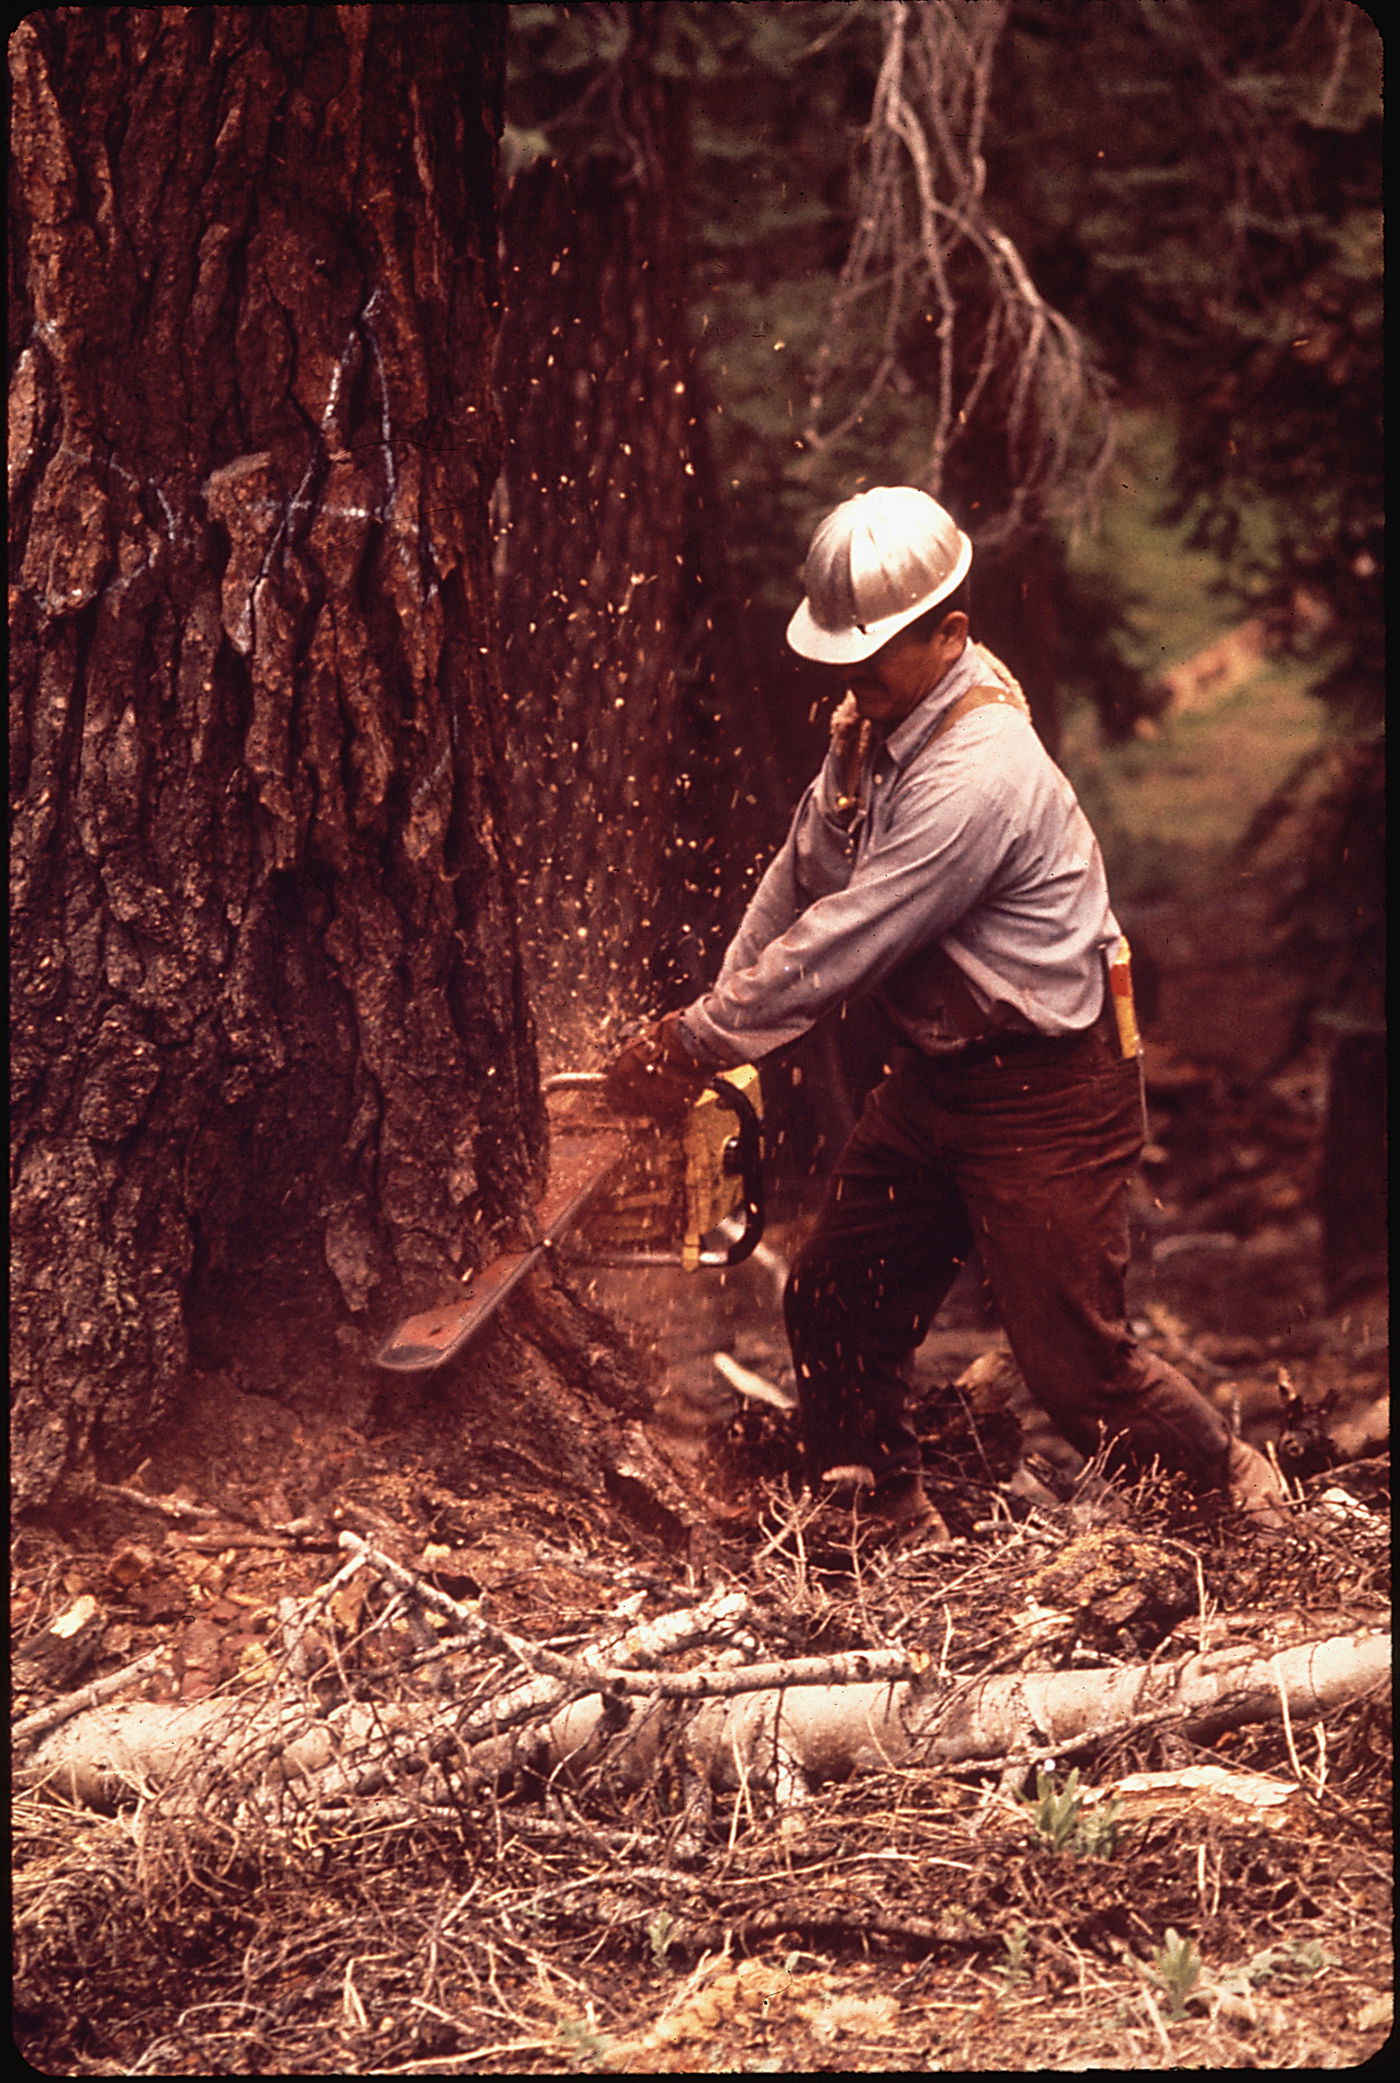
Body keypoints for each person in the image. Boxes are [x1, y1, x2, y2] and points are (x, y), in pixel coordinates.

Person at [607, 486, 1287, 1542]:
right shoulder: (868, 726)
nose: (850, 681)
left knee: (1076, 1367)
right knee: (835, 1291)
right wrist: (703, 1034)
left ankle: (1235, 1485)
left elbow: (848, 937)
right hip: (937, 1075)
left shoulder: (978, 773)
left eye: (872, 658)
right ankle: (876, 1504)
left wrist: (699, 1039)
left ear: (949, 633)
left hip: (1050, 1087)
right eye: (842, 659)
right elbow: (799, 877)